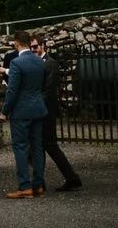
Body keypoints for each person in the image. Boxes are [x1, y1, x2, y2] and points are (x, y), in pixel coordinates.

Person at [0, 30, 47, 198]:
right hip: (38, 109)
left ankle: (24, 186)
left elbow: (12, 90)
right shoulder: (39, 61)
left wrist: (5, 111)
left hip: (21, 110)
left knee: (19, 147)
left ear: (16, 43)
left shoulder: (17, 63)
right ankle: (38, 185)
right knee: (37, 148)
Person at [33, 35, 82, 192]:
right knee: (41, 147)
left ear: (43, 46)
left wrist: (38, 105)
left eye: (35, 47)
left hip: (46, 112)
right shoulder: (35, 63)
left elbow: (49, 89)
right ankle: (68, 178)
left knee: (47, 146)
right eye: (31, 47)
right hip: (39, 111)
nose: (33, 50)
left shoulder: (51, 64)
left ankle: (69, 178)